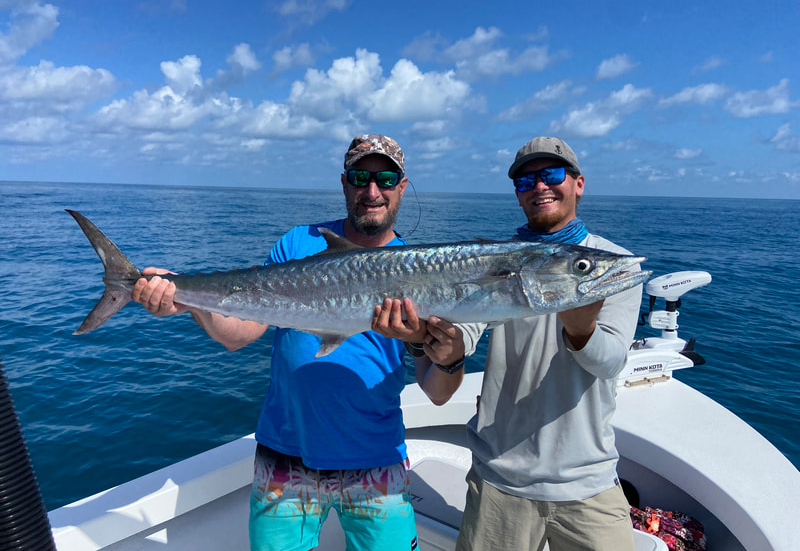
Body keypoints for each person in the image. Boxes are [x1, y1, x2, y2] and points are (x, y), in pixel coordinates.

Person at [131, 134, 459, 551]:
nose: (372, 190)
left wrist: (446, 356)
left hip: (377, 461)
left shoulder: (422, 270)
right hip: (285, 456)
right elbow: (240, 333)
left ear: (402, 187)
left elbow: (439, 392)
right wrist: (187, 300)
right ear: (345, 183)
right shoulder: (298, 244)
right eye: (361, 177)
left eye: (385, 178)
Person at [375, 136, 642, 551]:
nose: (540, 187)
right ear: (518, 195)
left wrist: (581, 329)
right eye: (525, 181)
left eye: (551, 175)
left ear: (579, 183)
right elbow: (462, 332)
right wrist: (432, 345)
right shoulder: (490, 261)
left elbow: (611, 362)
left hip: (589, 483)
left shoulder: (606, 266)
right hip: (500, 479)